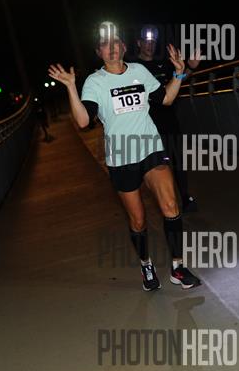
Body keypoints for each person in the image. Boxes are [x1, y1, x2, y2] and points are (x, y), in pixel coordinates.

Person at [48, 22, 201, 291]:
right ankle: (146, 264)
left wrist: (179, 74)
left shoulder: (139, 71)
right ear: (99, 52)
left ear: (124, 47)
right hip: (121, 157)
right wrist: (71, 87)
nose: (111, 48)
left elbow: (165, 99)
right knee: (138, 220)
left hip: (150, 148)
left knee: (171, 206)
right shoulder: (95, 82)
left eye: (115, 42)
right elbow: (83, 121)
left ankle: (178, 267)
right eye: (105, 44)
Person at [136, 25, 201, 212]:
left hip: (170, 121)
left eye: (153, 42)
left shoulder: (163, 64)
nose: (150, 45)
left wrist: (191, 67)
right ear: (139, 43)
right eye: (146, 42)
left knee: (178, 161)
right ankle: (167, 203)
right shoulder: (134, 68)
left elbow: (179, 77)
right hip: (149, 127)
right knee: (159, 167)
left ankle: (185, 197)